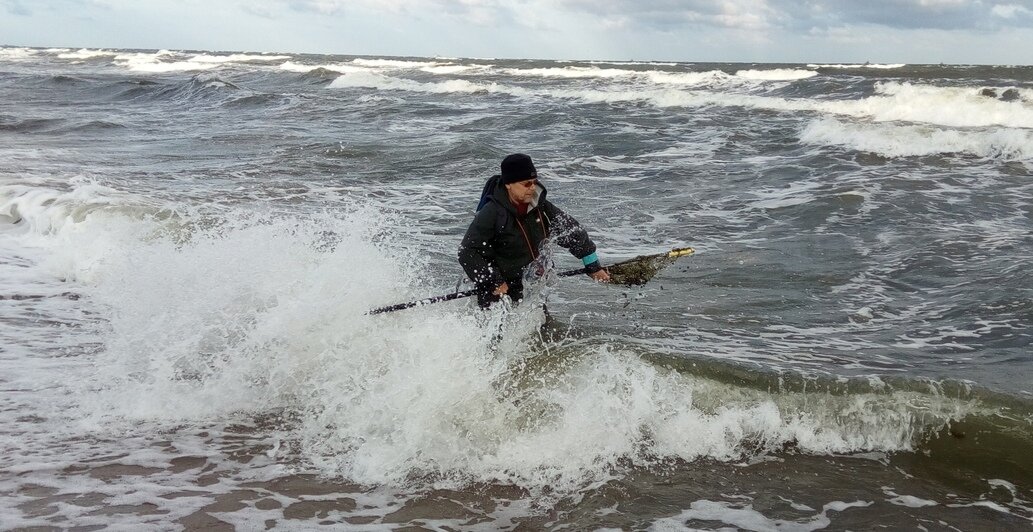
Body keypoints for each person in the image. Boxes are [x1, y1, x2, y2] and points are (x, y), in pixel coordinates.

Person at [458, 153, 610, 308]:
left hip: (531, 289)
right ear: (508, 184)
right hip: (498, 292)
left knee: (542, 329)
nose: (532, 188)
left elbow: (571, 231)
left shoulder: (541, 207)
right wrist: (494, 282)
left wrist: (593, 266)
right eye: (526, 184)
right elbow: (467, 252)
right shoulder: (491, 213)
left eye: (534, 182)